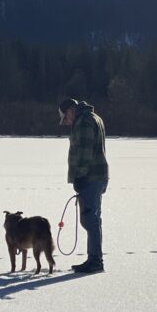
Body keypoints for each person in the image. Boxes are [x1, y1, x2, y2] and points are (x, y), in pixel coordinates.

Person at [58, 97, 109, 274]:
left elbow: (85, 152)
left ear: (71, 110)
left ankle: (95, 261)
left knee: (89, 219)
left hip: (90, 178)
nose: (68, 121)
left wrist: (79, 176)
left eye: (66, 117)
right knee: (92, 218)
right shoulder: (93, 117)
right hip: (97, 176)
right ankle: (94, 258)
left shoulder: (85, 121)